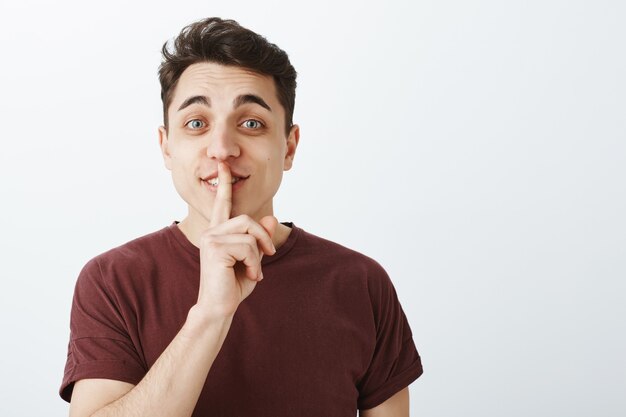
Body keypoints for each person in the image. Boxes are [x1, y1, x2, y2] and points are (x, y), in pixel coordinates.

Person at [60, 17, 423, 417]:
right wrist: (211, 314)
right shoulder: (113, 280)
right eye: (196, 124)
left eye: (251, 123)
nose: (222, 149)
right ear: (166, 148)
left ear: (289, 147)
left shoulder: (360, 282)